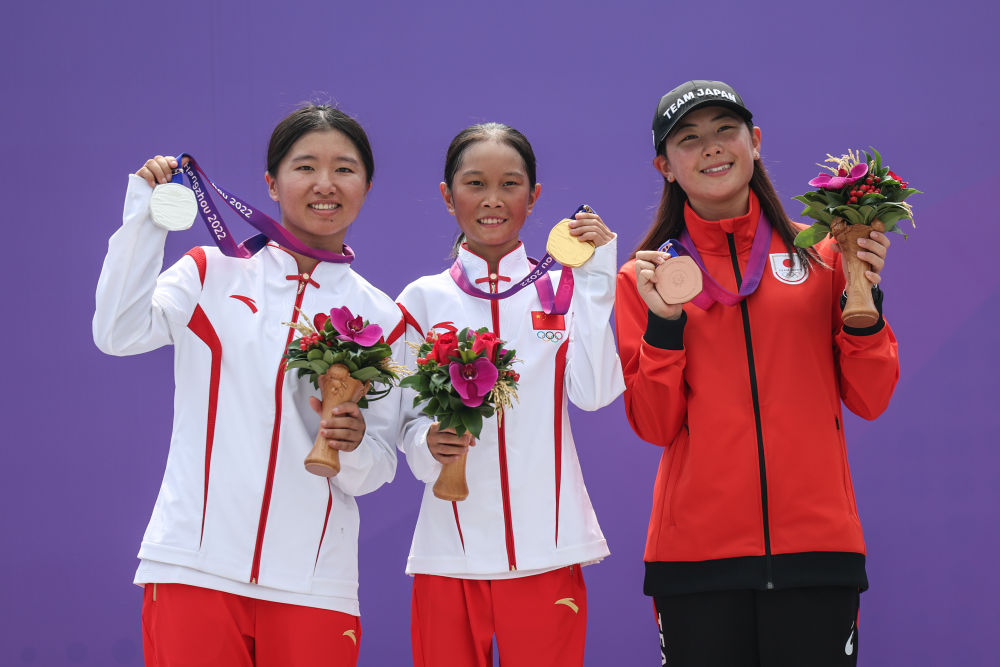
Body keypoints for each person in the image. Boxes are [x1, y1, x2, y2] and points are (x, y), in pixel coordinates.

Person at [93, 105, 404, 666]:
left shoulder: (382, 317)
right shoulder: (208, 272)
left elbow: (376, 468)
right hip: (194, 566)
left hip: (314, 584)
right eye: (305, 167)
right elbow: (118, 332)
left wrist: (353, 445)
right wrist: (145, 217)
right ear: (271, 182)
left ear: (367, 186)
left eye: (344, 169)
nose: (325, 184)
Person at [614, 81, 900, 666]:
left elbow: (870, 398)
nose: (712, 147)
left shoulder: (825, 257)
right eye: (688, 139)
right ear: (665, 166)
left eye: (726, 130)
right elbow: (653, 424)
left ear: (756, 141)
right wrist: (664, 325)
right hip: (695, 559)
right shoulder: (645, 279)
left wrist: (865, 306)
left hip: (818, 549)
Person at [395, 122, 625, 667]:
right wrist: (426, 444)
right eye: (475, 183)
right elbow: (403, 424)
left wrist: (597, 283)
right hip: (448, 554)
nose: (493, 200)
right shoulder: (420, 300)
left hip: (549, 551)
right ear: (448, 195)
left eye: (510, 184)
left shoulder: (563, 289)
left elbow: (594, 394)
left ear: (534, 196)